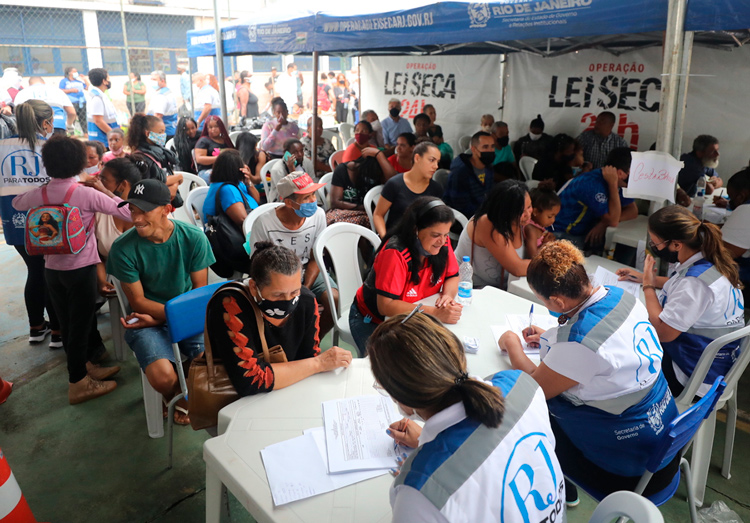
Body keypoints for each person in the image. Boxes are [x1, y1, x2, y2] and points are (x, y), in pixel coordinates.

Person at [500, 240, 679, 503]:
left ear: (557, 301)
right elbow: (605, 343)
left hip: (628, 474)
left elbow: (534, 389)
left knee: (525, 418)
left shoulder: (579, 345)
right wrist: (552, 337)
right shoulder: (622, 297)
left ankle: (556, 494)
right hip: (663, 448)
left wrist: (511, 344)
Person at [371, 312, 565, 522]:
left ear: (401, 397)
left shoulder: (418, 493)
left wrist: (427, 461)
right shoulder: (523, 385)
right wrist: (427, 444)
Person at [13, 136, 131, 404]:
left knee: (67, 325)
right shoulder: (85, 193)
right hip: (81, 269)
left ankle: (83, 368)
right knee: (80, 325)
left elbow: (18, 203)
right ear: (79, 163)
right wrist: (106, 192)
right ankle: (78, 383)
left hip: (51, 270)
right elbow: (125, 213)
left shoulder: (41, 193)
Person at [108, 178, 215, 424]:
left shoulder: (192, 238)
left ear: (167, 209)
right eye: (132, 210)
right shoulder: (123, 248)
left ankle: (183, 392)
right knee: (163, 376)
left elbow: (199, 292)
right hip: (148, 320)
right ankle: (176, 395)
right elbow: (139, 302)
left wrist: (162, 317)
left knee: (211, 360)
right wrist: (166, 317)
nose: (135, 219)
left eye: (144, 211)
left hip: (170, 317)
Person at [615, 205, 745, 397]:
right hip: (711, 360)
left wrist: (649, 287)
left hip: (693, 374)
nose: (654, 247)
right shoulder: (708, 261)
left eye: (656, 243)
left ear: (676, 244)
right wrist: (645, 277)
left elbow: (663, 333)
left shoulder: (695, 283)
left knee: (622, 354)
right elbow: (682, 288)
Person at [206, 242, 352, 396]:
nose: (288, 301)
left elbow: (308, 358)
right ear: (254, 287)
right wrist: (319, 364)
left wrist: (312, 365)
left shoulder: (306, 301)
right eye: (278, 295)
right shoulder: (231, 304)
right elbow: (249, 381)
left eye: (294, 292)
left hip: (286, 391)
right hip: (236, 398)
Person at [349, 197, 461, 353]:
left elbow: (453, 275)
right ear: (416, 229)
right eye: (436, 235)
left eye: (445, 234)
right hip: (374, 321)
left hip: (411, 317)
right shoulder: (396, 253)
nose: (442, 241)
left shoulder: (442, 243)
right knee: (387, 368)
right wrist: (435, 313)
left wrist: (448, 296)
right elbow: (386, 306)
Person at [0, 101, 61, 348]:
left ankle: (36, 327)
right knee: (50, 273)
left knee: (34, 271)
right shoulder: (51, 147)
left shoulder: (2, 147)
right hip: (49, 221)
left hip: (15, 221)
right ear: (45, 123)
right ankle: (58, 330)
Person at [250, 172, 339, 336]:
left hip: (307, 268)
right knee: (283, 307)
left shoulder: (318, 215)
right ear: (289, 202)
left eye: (313, 194)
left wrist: (303, 289)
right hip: (277, 274)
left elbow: (315, 258)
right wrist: (291, 291)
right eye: (306, 198)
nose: (313, 200)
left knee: (334, 300)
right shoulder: (264, 222)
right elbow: (259, 265)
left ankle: (313, 340)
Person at [554, 147, 638, 249]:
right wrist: (612, 185)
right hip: (562, 234)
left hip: (584, 230)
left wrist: (603, 222)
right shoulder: (591, 184)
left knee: (626, 248)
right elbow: (613, 221)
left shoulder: (619, 182)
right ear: (620, 174)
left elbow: (632, 211)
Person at [455, 180, 532, 289]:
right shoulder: (486, 222)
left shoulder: (523, 222)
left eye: (529, 207)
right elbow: (517, 268)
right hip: (468, 289)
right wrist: (550, 264)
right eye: (521, 212)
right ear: (506, 211)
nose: (528, 214)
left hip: (502, 289)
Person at [374, 142, 444, 238]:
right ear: (417, 158)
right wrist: (385, 239)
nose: (436, 166)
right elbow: (378, 215)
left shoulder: (436, 189)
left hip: (423, 243)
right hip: (397, 241)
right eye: (432, 160)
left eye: (437, 162)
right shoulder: (395, 184)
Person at [127, 114, 183, 202]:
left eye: (164, 132)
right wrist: (178, 177)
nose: (163, 135)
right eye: (160, 132)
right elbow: (155, 182)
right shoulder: (141, 157)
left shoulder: (160, 152)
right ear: (148, 133)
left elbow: (169, 174)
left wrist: (174, 185)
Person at [327, 154, 391, 227]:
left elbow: (392, 179)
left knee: (369, 221)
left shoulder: (374, 173)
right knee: (334, 221)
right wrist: (362, 207)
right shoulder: (342, 170)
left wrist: (378, 153)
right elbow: (335, 202)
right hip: (343, 211)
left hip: (365, 213)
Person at [443, 131, 496, 219]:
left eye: (492, 146)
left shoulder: (488, 167)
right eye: (485, 147)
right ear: (474, 149)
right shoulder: (460, 172)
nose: (490, 151)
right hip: (461, 220)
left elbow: (489, 194)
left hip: (482, 214)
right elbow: (460, 207)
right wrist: (487, 215)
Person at [203, 149, 260, 229]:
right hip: (232, 236)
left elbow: (256, 200)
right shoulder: (227, 189)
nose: (245, 167)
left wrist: (248, 183)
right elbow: (243, 220)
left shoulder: (238, 183)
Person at [717, 168, 750, 290]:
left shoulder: (746, 210)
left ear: (741, 196)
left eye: (733, 198)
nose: (731, 203)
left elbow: (724, 252)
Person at [676, 135, 723, 205]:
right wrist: (714, 183)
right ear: (700, 152)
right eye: (713, 151)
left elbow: (720, 180)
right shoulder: (690, 163)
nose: (717, 154)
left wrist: (716, 181)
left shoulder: (705, 162)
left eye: (717, 150)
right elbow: (709, 190)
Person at [524, 181, 561, 258]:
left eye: (555, 216)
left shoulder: (538, 225)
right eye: (550, 216)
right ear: (535, 212)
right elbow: (533, 255)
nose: (553, 220)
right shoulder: (531, 229)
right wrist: (545, 244)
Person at [194, 115, 234, 182]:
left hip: (225, 169)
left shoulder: (225, 140)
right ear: (207, 128)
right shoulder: (203, 141)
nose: (213, 129)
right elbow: (199, 159)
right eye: (210, 127)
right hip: (206, 171)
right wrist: (219, 158)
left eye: (216, 126)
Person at [86, 68, 119, 146]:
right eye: (108, 78)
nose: (109, 81)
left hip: (105, 139)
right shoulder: (97, 97)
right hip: (102, 140)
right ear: (104, 81)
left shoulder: (100, 94)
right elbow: (98, 121)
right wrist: (114, 136)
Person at [148, 70, 179, 140]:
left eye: (154, 79)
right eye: (151, 79)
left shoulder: (161, 96)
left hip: (163, 133)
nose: (152, 81)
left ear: (162, 81)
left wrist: (151, 132)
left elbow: (158, 116)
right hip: (171, 130)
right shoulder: (168, 92)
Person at [59, 67, 88, 132]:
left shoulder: (79, 81)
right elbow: (61, 90)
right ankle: (71, 133)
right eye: (74, 71)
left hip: (81, 101)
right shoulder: (64, 81)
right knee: (72, 117)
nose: (76, 73)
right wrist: (71, 90)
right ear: (69, 73)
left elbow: (87, 88)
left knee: (83, 118)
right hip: (71, 101)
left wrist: (85, 80)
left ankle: (86, 132)